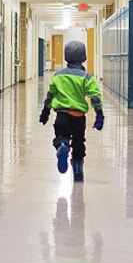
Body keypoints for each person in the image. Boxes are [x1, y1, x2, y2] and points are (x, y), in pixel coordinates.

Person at [39, 40, 103, 181]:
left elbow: (50, 95)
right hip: (78, 117)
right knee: (79, 143)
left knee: (61, 136)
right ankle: (77, 169)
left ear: (65, 57)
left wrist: (45, 112)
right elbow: (95, 97)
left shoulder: (58, 76)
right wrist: (99, 115)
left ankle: (62, 145)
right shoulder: (87, 77)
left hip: (61, 116)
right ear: (84, 58)